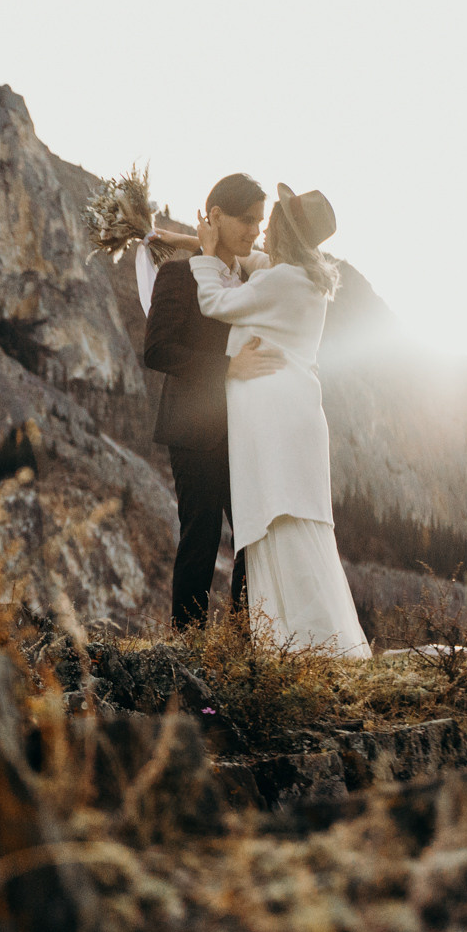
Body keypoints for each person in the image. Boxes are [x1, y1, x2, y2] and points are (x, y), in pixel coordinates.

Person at [190, 183, 371, 656]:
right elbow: (251, 262)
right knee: (292, 524)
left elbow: (215, 303)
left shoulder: (281, 280)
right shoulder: (302, 278)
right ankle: (308, 641)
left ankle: (298, 643)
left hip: (273, 422)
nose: (263, 230)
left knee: (276, 522)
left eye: (271, 223)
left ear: (285, 233)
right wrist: (194, 239)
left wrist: (205, 257)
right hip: (296, 416)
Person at [140, 173, 284, 626]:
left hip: (245, 429)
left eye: (259, 222)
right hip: (194, 431)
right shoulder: (177, 275)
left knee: (254, 538)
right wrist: (226, 367)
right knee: (200, 539)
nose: (255, 231)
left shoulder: (254, 277)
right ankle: (189, 644)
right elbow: (157, 350)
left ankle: (241, 639)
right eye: (247, 220)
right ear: (217, 216)